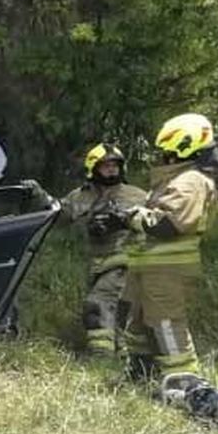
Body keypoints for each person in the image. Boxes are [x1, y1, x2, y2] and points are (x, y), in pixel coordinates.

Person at [109, 113, 218, 429]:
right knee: (140, 326)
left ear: (184, 146)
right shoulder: (176, 178)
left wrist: (131, 217)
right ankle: (143, 376)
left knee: (167, 327)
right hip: (151, 269)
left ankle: (192, 388)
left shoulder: (190, 180)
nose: (163, 155)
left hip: (167, 271)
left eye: (168, 150)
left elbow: (168, 225)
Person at [60, 143, 147, 356]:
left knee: (97, 304)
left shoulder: (137, 195)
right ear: (93, 168)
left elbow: (157, 223)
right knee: (117, 315)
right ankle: (124, 356)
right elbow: (59, 215)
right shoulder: (80, 196)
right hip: (98, 265)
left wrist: (123, 221)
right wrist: (38, 197)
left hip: (126, 262)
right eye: (105, 165)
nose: (111, 169)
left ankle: (101, 357)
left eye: (115, 165)